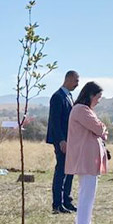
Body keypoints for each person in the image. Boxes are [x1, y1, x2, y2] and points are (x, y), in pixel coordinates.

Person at [65, 82, 107, 224]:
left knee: (88, 195)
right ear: (90, 95)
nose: (98, 101)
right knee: (86, 196)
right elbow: (99, 128)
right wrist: (102, 128)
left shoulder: (84, 110)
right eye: (98, 97)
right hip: (86, 158)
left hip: (89, 158)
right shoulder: (81, 110)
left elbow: (101, 130)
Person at [46, 70, 78, 214]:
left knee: (70, 170)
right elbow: (55, 122)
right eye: (76, 81)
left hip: (71, 140)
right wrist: (61, 140)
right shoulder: (57, 97)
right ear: (69, 79)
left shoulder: (69, 96)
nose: (77, 84)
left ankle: (67, 201)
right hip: (62, 141)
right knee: (61, 171)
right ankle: (57, 204)